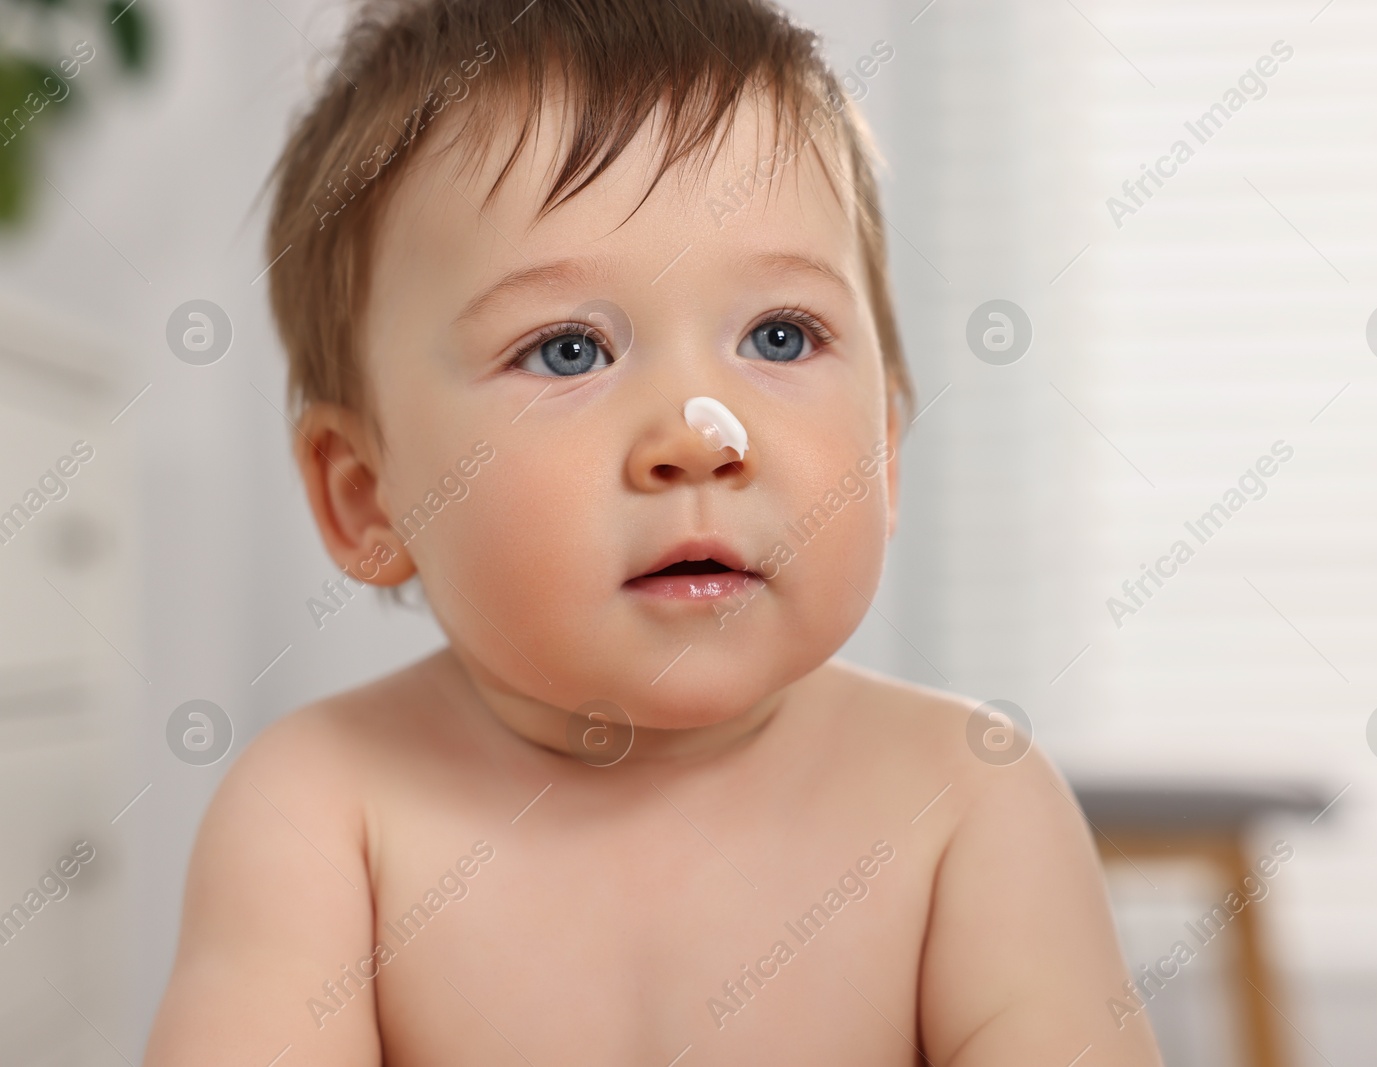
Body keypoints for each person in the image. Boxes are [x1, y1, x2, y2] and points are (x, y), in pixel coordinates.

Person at [144, 1, 1162, 1063]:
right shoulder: (322, 814)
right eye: (569, 351)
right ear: (367, 497)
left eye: (779, 334)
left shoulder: (969, 800)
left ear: (888, 451)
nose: (699, 435)